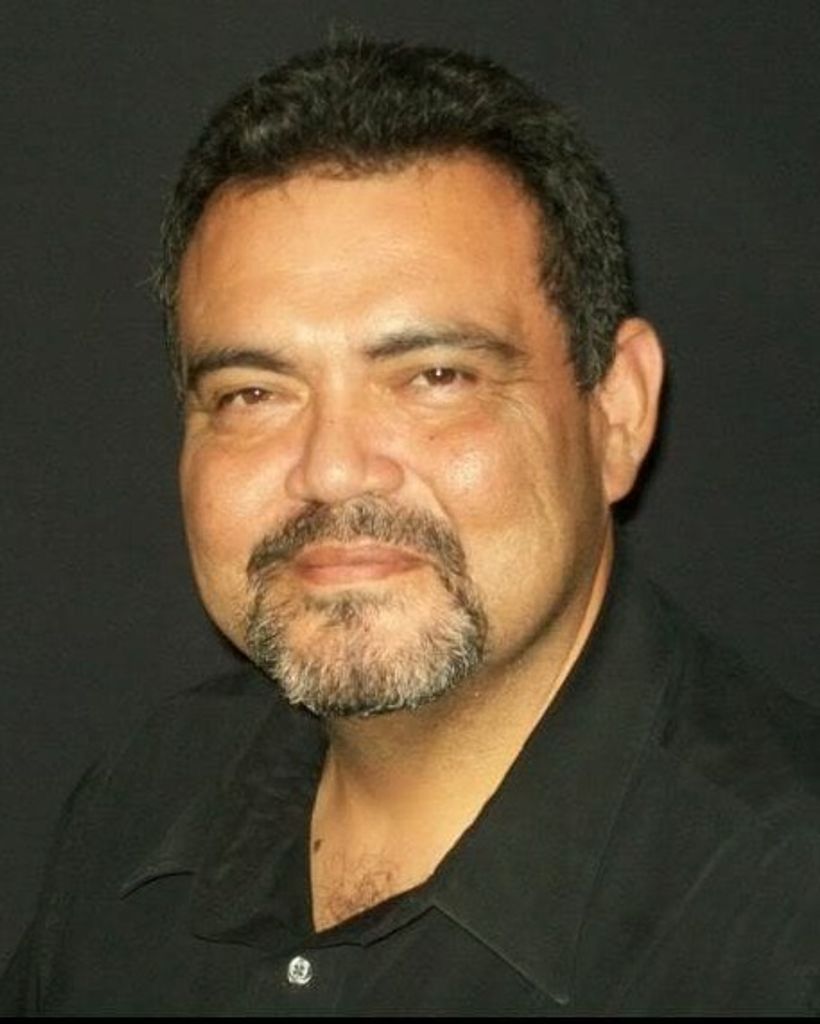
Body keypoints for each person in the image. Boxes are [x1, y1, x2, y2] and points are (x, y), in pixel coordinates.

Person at [2, 37, 819, 1016]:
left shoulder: (782, 927)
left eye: (434, 377)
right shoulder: (141, 805)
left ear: (617, 412)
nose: (331, 468)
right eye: (253, 392)